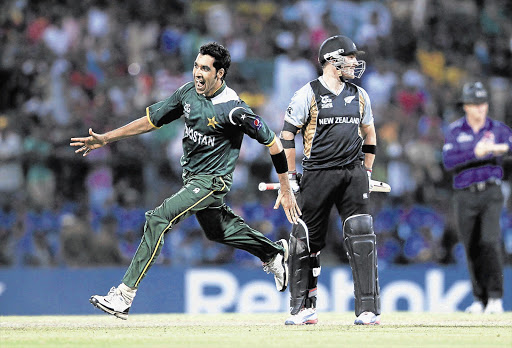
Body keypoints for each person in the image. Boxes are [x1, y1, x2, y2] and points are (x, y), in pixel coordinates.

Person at [70, 42, 301, 320]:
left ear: (220, 74)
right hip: (193, 178)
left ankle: (124, 295)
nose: (197, 73)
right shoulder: (188, 93)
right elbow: (150, 120)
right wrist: (106, 138)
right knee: (217, 231)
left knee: (158, 218)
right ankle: (273, 253)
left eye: (205, 68)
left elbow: (274, 143)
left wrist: (286, 187)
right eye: (196, 66)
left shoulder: (235, 110)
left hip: (212, 181)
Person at [279, 35, 381, 325]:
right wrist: (290, 178)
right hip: (317, 173)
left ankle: (367, 309)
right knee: (304, 239)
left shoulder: (360, 95)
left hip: (353, 174)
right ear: (332, 60)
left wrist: (368, 172)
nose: (354, 62)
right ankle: (303, 308)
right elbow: (287, 136)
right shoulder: (306, 94)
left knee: (361, 233)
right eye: (349, 57)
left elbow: (370, 134)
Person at [442, 81, 511, 314]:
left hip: (491, 191)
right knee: (470, 246)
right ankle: (480, 299)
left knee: (490, 241)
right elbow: (449, 161)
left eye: (483, 103)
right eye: (475, 104)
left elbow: (510, 146)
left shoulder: (498, 129)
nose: (480, 108)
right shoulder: (454, 131)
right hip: (464, 195)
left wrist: (498, 150)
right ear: (466, 106)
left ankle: (495, 298)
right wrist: (476, 152)